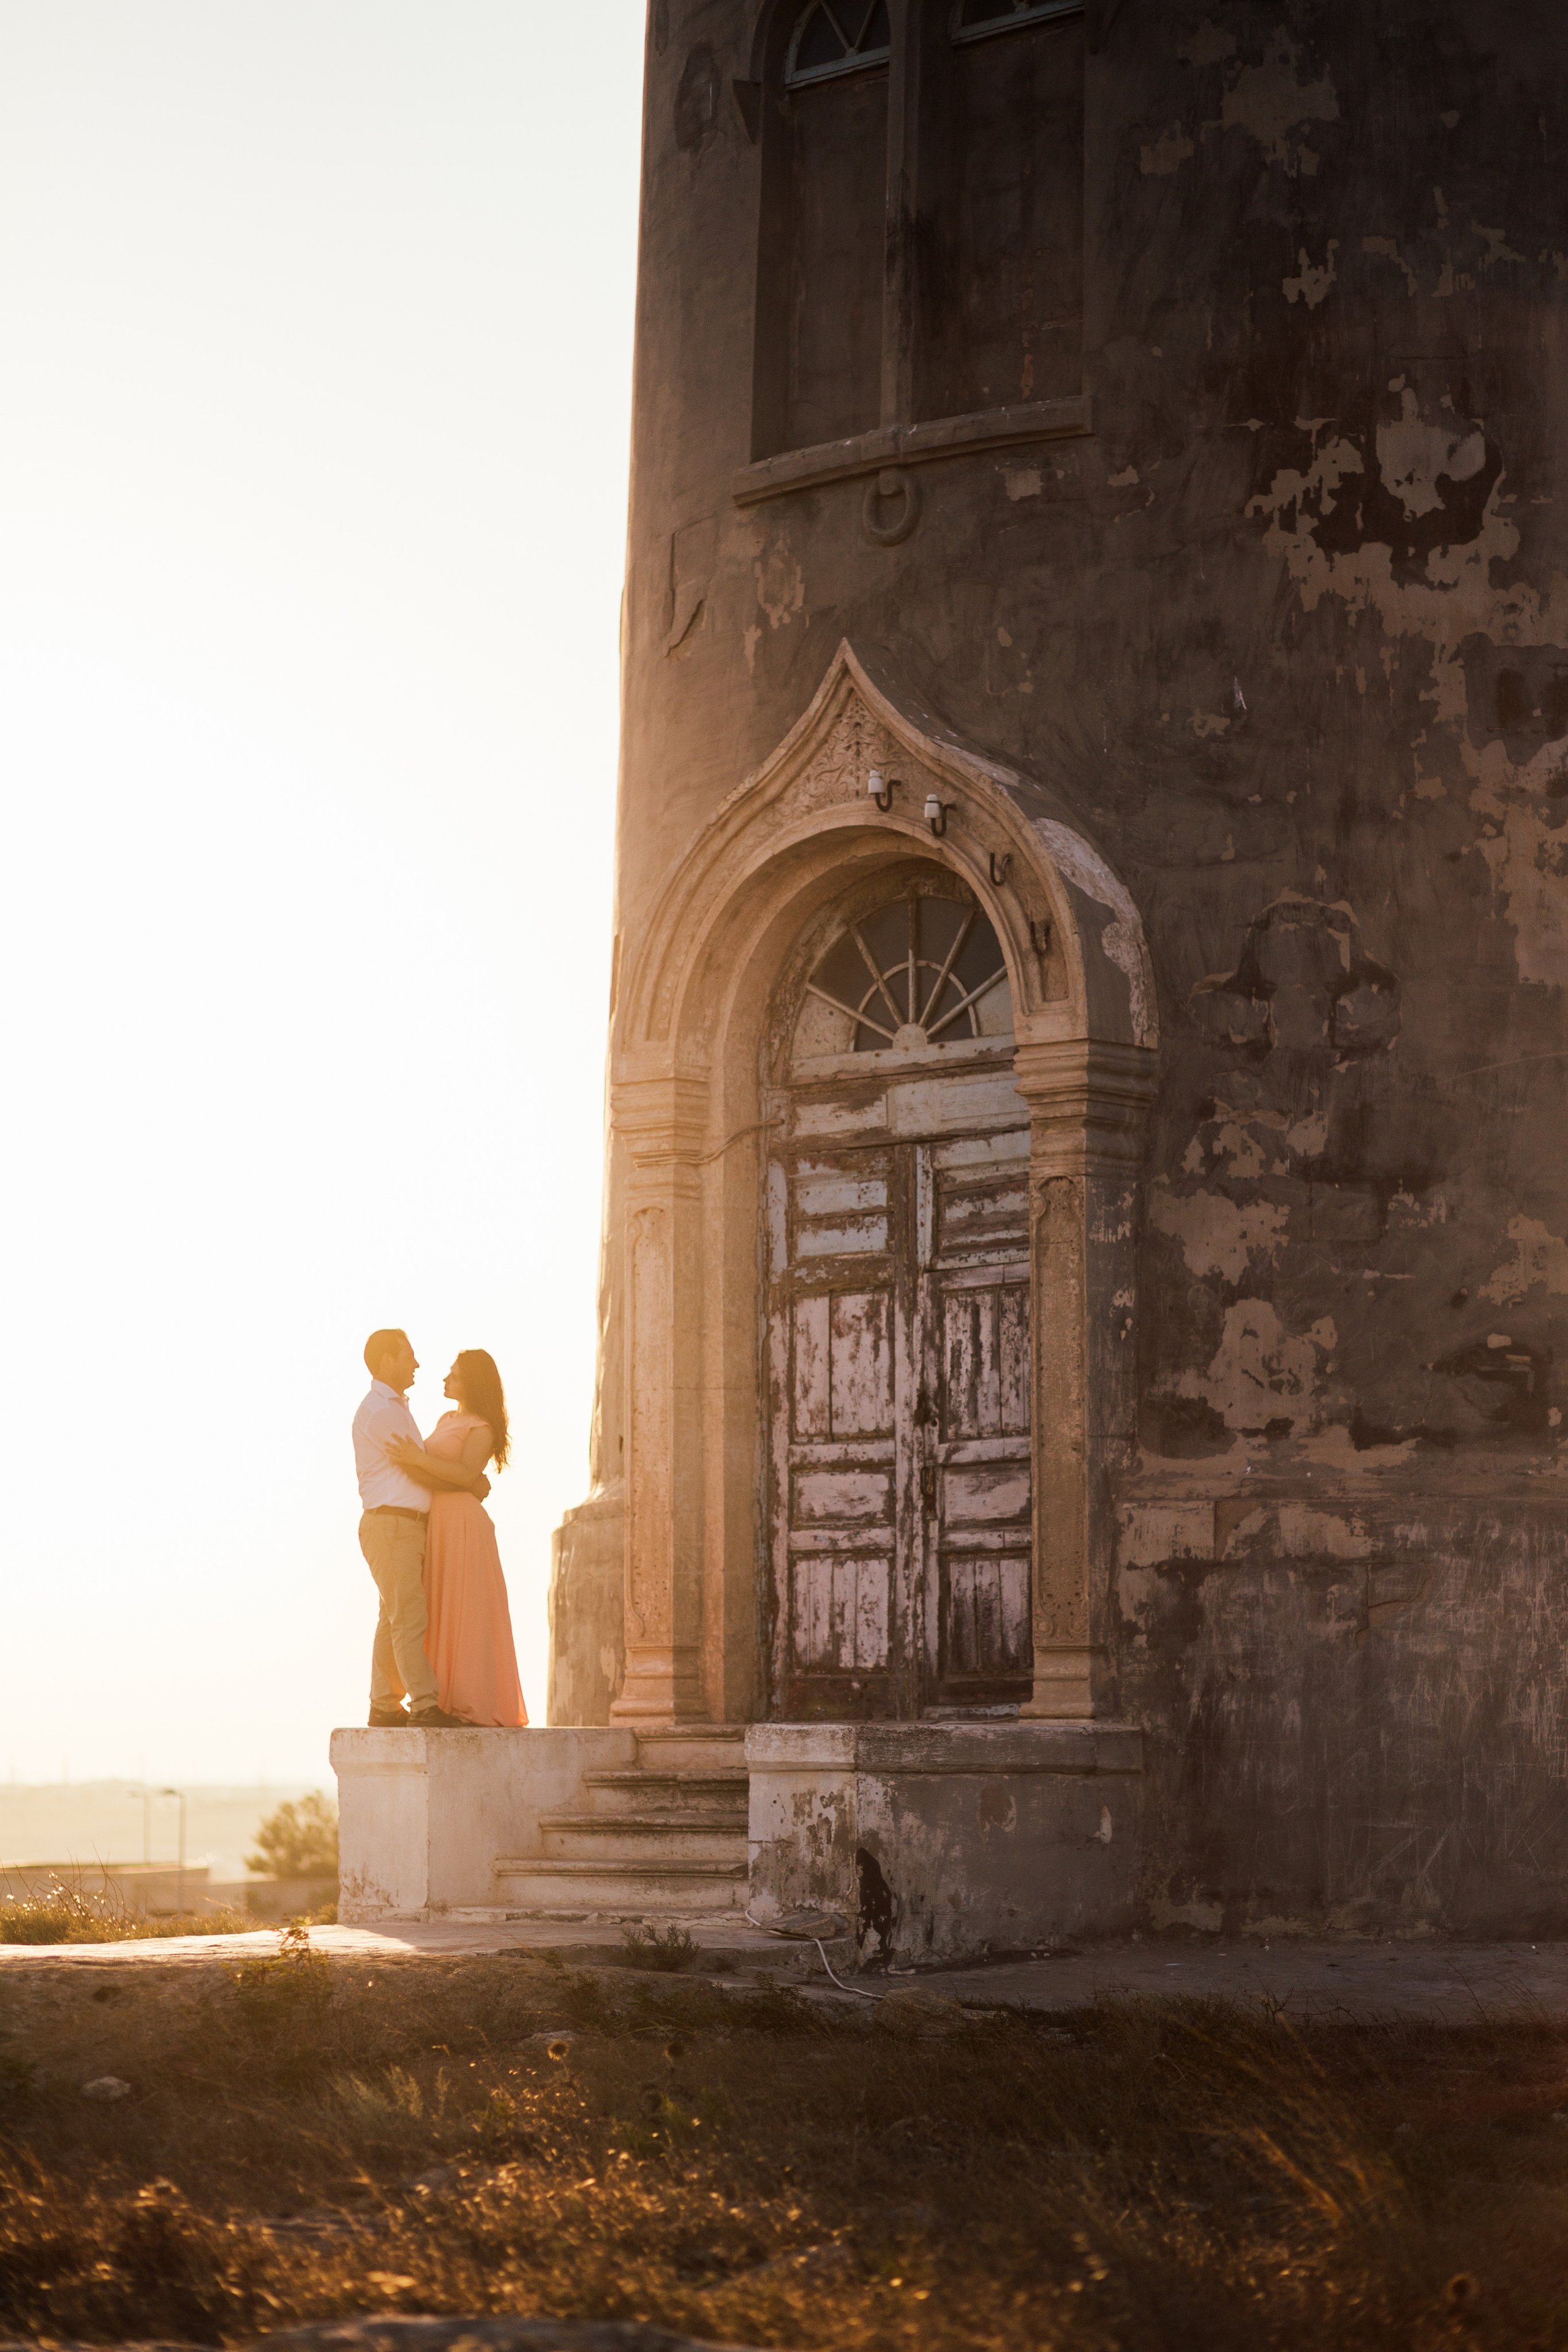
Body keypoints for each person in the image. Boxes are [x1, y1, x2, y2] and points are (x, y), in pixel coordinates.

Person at [351, 1328, 489, 1729]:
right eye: (408, 1356)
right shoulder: (384, 1412)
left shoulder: (395, 1407)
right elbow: (415, 1468)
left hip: (398, 1526)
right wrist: (469, 1482)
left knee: (393, 1617)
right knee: (409, 1618)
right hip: (393, 1524)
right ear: (386, 1361)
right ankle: (425, 1705)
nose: (416, 1363)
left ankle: (384, 1706)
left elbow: (417, 1466)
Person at [383, 1348, 527, 1728]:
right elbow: (457, 1479)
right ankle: (440, 1697)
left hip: (462, 1524)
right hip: (438, 1521)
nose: (445, 1379)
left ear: (473, 1384)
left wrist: (416, 1460)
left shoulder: (481, 1427)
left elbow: (464, 1475)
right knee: (436, 1607)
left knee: (465, 1609)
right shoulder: (447, 1418)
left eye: (455, 1375)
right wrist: (431, 1470)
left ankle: (470, 1701)